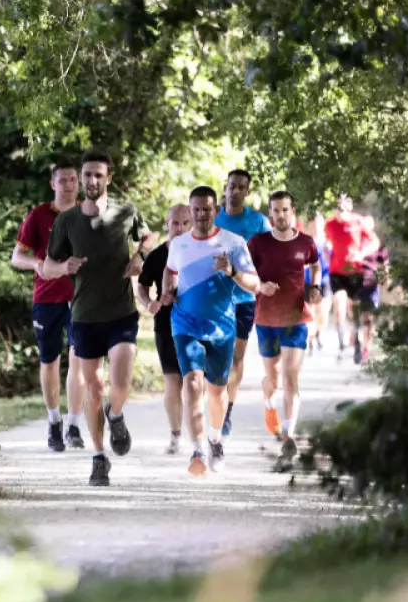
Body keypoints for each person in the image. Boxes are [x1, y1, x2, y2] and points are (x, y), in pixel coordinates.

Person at [44, 150, 155, 486]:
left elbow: (148, 238)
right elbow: (47, 266)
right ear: (81, 178)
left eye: (97, 175)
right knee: (94, 388)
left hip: (121, 313)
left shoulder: (126, 212)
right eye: (87, 174)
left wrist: (139, 257)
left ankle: (115, 415)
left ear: (108, 179)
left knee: (120, 384)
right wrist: (64, 267)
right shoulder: (67, 221)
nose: (91, 180)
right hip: (85, 317)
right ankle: (98, 457)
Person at [161, 186, 260, 476]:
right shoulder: (179, 244)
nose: (202, 214)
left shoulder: (233, 242)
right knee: (192, 383)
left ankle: (215, 440)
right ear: (189, 211)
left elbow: (254, 284)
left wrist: (231, 271)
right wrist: (168, 290)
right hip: (185, 324)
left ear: (216, 210)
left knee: (217, 392)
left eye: (207, 208)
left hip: (221, 328)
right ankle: (197, 450)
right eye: (196, 209)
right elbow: (170, 271)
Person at [11, 161, 86, 452]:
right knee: (50, 361)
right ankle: (54, 421)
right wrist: (37, 264)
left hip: (82, 299)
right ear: (53, 184)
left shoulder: (88, 213)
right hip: (47, 298)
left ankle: (74, 425)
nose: (69, 185)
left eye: (73, 179)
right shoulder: (39, 215)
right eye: (63, 180)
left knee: (79, 359)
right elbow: (17, 257)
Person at [247, 191, 323, 464]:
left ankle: (289, 436)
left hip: (295, 319)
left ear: (293, 211)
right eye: (276, 210)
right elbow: (245, 274)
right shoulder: (258, 243)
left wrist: (315, 287)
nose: (281, 215)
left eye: (285, 210)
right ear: (270, 214)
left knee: (291, 377)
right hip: (266, 320)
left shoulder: (306, 242)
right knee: (274, 380)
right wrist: (260, 286)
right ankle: (268, 402)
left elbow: (315, 266)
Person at [213, 169, 271, 440]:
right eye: (231, 186)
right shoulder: (212, 218)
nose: (235, 191)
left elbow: (271, 254)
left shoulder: (258, 222)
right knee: (214, 355)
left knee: (236, 360)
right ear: (225, 187)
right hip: (214, 298)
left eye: (241, 187)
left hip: (245, 299)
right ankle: (215, 398)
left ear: (248, 192)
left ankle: (227, 411)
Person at [136, 204, 193, 455]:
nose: (180, 228)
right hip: (166, 323)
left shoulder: (199, 251)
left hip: (195, 323)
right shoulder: (157, 255)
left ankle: (197, 434)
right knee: (172, 380)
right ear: (167, 224)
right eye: (175, 223)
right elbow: (142, 286)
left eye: (185, 223)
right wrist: (149, 303)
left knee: (193, 380)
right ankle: (175, 435)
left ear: (191, 224)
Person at [324, 194, 380, 363]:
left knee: (352, 311)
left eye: (343, 208)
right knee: (339, 304)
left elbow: (375, 242)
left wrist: (361, 254)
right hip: (336, 271)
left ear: (349, 208)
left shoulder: (358, 222)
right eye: (338, 207)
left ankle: (356, 343)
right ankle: (341, 343)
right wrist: (327, 250)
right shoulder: (330, 224)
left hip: (354, 271)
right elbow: (329, 242)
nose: (340, 211)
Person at [355, 216, 389, 365]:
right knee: (356, 315)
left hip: (371, 285)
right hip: (355, 283)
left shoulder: (378, 245)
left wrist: (385, 280)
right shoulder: (355, 242)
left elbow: (384, 264)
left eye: (368, 226)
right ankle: (356, 339)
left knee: (368, 318)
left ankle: (365, 348)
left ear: (373, 227)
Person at [305, 211, 333, 355]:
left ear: (323, 224)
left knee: (322, 311)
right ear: (310, 225)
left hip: (325, 280)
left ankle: (319, 332)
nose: (316, 226)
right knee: (310, 312)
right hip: (308, 281)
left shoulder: (329, 242)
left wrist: (329, 252)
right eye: (314, 223)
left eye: (319, 222)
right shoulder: (305, 242)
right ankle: (310, 340)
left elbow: (334, 261)